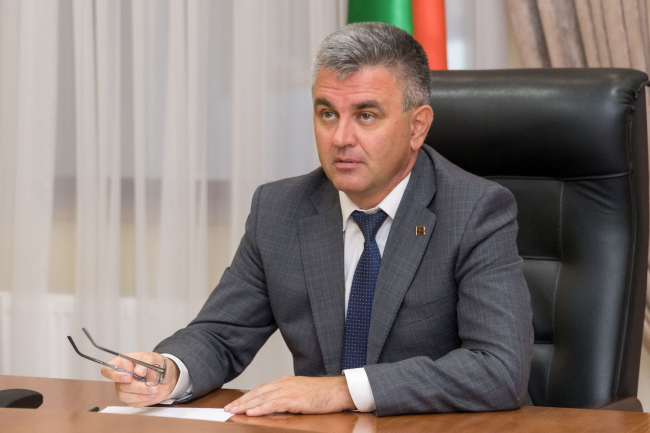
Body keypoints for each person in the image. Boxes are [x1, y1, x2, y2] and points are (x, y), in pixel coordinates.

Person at [101, 22, 533, 417]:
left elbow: (498, 369)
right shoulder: (280, 209)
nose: (341, 138)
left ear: (417, 126)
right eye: (327, 114)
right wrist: (169, 371)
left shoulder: (476, 211)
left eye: (366, 116)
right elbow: (220, 334)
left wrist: (343, 390)